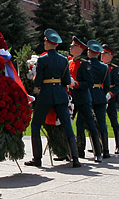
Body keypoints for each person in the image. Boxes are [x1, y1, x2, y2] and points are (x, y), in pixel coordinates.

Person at [25, 29, 81, 168]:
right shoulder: (63, 60)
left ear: (49, 43)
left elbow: (39, 80)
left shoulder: (43, 59)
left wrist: (35, 83)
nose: (44, 43)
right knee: (67, 126)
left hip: (46, 94)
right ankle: (75, 158)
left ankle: (37, 159)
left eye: (45, 41)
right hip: (60, 94)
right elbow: (67, 79)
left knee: (36, 125)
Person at [68, 36, 103, 163]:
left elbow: (89, 83)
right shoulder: (70, 62)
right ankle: (77, 151)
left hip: (82, 98)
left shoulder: (84, 64)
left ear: (79, 49)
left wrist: (76, 84)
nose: (71, 48)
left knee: (90, 124)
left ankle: (98, 152)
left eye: (73, 46)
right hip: (71, 98)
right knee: (73, 125)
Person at [86, 40, 111, 159]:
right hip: (100, 95)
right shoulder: (104, 67)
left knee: (87, 123)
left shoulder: (85, 65)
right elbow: (107, 85)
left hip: (88, 95)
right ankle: (105, 150)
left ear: (90, 52)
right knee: (102, 124)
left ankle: (83, 149)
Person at [101, 44, 119, 154]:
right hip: (100, 97)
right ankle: (101, 144)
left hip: (111, 98)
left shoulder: (114, 69)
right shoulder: (99, 67)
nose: (102, 55)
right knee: (100, 122)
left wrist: (110, 94)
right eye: (101, 53)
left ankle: (118, 145)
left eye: (105, 53)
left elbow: (118, 85)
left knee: (113, 121)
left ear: (110, 55)